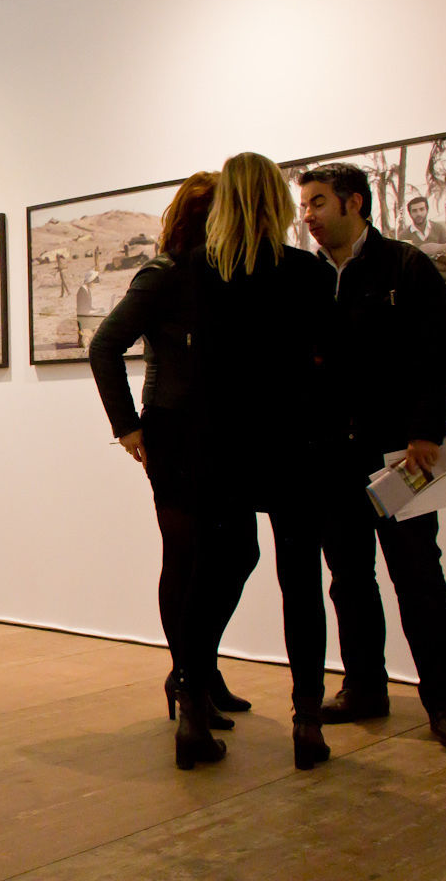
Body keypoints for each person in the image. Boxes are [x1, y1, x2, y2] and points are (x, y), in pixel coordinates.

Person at [299, 162, 446, 751]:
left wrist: (426, 431)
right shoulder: (306, 279)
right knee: (348, 579)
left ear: (354, 204)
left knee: (418, 575)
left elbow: (436, 354)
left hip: (404, 455)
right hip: (330, 457)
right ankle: (365, 688)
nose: (309, 217)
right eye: (305, 206)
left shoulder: (407, 266)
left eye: (319, 203)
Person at [177, 152, 336, 771]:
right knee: (300, 584)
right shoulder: (307, 274)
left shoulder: (195, 272)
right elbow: (328, 366)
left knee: (209, 579)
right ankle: (308, 722)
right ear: (274, 201)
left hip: (219, 447)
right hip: (294, 446)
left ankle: (191, 712)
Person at [89, 171, 255, 730]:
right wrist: (127, 427)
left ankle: (196, 669)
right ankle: (191, 678)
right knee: (187, 559)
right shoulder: (163, 274)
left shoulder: (226, 276)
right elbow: (105, 344)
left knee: (234, 554)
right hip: (174, 431)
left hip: (220, 433)